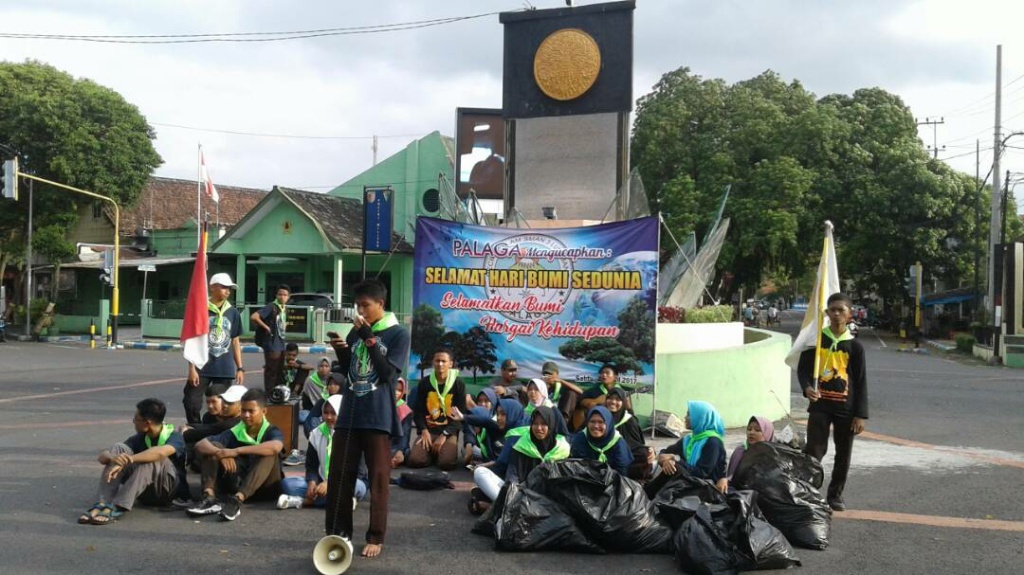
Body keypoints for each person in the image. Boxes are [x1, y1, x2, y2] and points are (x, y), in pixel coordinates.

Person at [325, 279, 410, 559]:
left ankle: (375, 536)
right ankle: (338, 533)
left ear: (381, 305)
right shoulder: (356, 331)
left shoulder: (398, 334)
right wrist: (341, 348)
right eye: (358, 305)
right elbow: (350, 370)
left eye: (366, 305)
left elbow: (387, 374)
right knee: (339, 475)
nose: (360, 311)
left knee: (378, 479)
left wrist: (369, 338)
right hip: (349, 413)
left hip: (377, 415)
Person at [798, 292, 868, 512]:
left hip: (845, 409)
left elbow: (861, 381)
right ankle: (808, 492)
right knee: (814, 451)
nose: (836, 314)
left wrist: (860, 414)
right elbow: (803, 370)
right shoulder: (817, 340)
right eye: (832, 310)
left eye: (841, 310)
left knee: (843, 453)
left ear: (849, 314)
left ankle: (835, 495)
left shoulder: (855, 347)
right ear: (826, 313)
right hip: (820, 406)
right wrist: (807, 388)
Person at [79, 398, 187, 525]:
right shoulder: (141, 437)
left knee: (155, 459)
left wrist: (130, 459)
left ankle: (118, 506)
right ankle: (103, 503)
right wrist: (114, 458)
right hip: (144, 491)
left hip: (167, 492)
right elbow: (102, 458)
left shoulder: (175, 437)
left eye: (136, 419)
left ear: (147, 423)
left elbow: (160, 452)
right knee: (119, 448)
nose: (133, 422)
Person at [187, 389, 285, 521]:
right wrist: (220, 453)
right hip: (237, 482)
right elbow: (200, 444)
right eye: (243, 410)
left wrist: (235, 451)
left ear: (263, 412)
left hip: (265, 488)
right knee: (214, 445)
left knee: (268, 452)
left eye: (251, 411)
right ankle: (209, 497)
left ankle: (237, 501)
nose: (246, 415)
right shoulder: (236, 430)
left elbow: (276, 447)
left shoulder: (271, 430)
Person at [278, 395, 368, 510]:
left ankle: (304, 502)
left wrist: (330, 483)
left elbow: (359, 472)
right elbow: (311, 465)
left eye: (333, 413)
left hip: (349, 482)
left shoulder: (355, 435)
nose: (329, 417)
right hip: (321, 481)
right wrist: (312, 482)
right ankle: (341, 502)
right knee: (288, 484)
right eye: (325, 412)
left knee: (355, 486)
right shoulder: (316, 433)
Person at [472, 406, 570, 503]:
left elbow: (563, 485)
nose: (539, 428)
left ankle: (495, 507)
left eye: (544, 424)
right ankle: (507, 507)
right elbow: (512, 476)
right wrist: (517, 492)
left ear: (551, 425)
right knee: (480, 472)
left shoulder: (561, 450)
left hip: (548, 502)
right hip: (521, 497)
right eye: (535, 424)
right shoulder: (522, 445)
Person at [183, 273, 245, 424]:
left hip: (224, 366)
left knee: (222, 406)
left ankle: (217, 433)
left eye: (229, 288)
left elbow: (235, 340)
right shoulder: (200, 309)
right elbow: (192, 340)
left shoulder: (233, 312)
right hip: (201, 365)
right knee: (191, 401)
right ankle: (196, 429)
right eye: (224, 287)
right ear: (212, 287)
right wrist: (191, 369)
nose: (227, 291)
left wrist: (240, 368)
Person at [646, 400, 728, 498]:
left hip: (705, 487)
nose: (685, 418)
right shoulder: (689, 439)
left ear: (700, 418)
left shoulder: (713, 442)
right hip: (689, 481)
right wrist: (666, 460)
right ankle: (648, 493)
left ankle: (647, 493)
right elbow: (666, 452)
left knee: (675, 467)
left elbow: (702, 473)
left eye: (689, 414)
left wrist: (675, 460)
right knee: (671, 465)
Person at [409, 349, 467, 470]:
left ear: (450, 363)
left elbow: (461, 415)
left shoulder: (458, 384)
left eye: (443, 361)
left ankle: (439, 453)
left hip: (448, 432)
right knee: (415, 461)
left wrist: (445, 434)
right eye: (437, 361)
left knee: (446, 464)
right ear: (433, 362)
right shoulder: (425, 383)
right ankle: (430, 453)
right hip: (428, 431)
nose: (440, 364)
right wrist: (424, 430)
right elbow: (418, 411)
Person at [606, 387, 655, 482]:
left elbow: (637, 444)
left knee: (644, 455)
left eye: (617, 399)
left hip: (624, 456)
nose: (613, 402)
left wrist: (650, 450)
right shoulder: (599, 416)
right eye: (610, 398)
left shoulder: (629, 421)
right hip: (602, 454)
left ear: (623, 402)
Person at [569, 406, 633, 475]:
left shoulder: (618, 443)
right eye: (592, 421)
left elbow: (623, 473)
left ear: (608, 424)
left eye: (601, 422)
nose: (596, 426)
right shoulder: (581, 438)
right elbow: (575, 467)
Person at [250, 284, 290, 394]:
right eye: (280, 294)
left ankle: (277, 394)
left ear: (288, 297)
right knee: (272, 371)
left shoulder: (283, 308)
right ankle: (270, 394)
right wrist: (266, 327)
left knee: (279, 371)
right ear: (276, 295)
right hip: (272, 344)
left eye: (285, 295)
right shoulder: (271, 306)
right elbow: (254, 316)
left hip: (280, 343)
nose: (282, 297)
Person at [576, 363, 630, 430]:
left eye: (607, 373)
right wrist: (592, 403)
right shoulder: (594, 390)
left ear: (615, 377)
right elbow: (581, 401)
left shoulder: (622, 393)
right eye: (602, 373)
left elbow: (629, 411)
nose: (604, 375)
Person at [726, 416, 775, 480]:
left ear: (767, 433)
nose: (751, 432)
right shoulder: (740, 452)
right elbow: (731, 478)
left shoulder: (774, 456)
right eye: (749, 429)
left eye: (757, 430)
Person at [541, 361, 583, 427]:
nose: (548, 376)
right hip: (545, 416)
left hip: (561, 417)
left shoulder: (562, 386)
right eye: (545, 374)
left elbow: (580, 391)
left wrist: (560, 381)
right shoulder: (540, 386)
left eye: (550, 374)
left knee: (571, 393)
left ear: (556, 374)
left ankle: (562, 424)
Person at [301, 358, 333, 438]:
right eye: (321, 366)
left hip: (330, 411)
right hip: (313, 409)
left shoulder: (334, 380)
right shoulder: (310, 380)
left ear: (330, 367)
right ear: (318, 367)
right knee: (303, 416)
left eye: (326, 366)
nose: (324, 368)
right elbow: (305, 400)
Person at [390, 377, 414, 469]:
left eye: (400, 390)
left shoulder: (405, 410)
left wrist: (399, 450)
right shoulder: (381, 405)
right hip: (382, 444)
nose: (396, 392)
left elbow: (405, 434)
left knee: (410, 455)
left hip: (397, 445)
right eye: (394, 389)